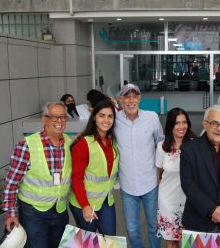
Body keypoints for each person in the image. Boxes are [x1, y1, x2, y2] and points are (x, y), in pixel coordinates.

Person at [1, 101, 72, 248]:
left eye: (63, 117)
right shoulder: (27, 145)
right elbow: (11, 182)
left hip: (60, 210)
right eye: (54, 117)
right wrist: (11, 213)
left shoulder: (68, 143)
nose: (59, 121)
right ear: (44, 119)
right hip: (34, 214)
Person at [114, 83, 164, 248]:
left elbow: (160, 144)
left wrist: (161, 172)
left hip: (150, 183)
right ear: (120, 99)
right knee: (132, 229)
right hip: (127, 186)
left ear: (140, 98)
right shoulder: (114, 119)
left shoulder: (152, 117)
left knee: (153, 227)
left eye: (135, 96)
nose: (131, 101)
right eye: (127, 97)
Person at [68, 99, 119, 235]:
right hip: (84, 202)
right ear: (94, 117)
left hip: (106, 200)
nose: (106, 120)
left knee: (109, 241)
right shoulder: (83, 144)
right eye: (102, 115)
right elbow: (76, 179)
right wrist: (85, 206)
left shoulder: (111, 140)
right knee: (88, 243)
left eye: (110, 116)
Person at [156, 108, 196, 248]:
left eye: (184, 122)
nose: (181, 126)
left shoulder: (195, 144)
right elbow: (159, 172)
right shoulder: (162, 147)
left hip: (191, 201)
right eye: (177, 123)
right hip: (168, 202)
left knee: (189, 241)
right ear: (170, 125)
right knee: (171, 242)